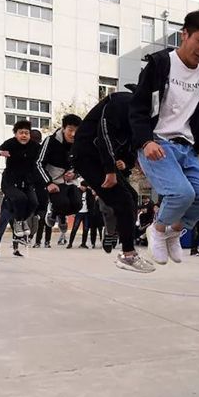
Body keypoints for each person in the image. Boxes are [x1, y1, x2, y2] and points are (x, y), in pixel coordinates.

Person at [130, 10, 199, 265]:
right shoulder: (160, 64)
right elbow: (137, 107)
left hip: (187, 148)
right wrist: (145, 141)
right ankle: (157, 229)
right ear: (185, 35)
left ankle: (174, 231)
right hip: (157, 144)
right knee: (182, 194)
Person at [72, 89, 154, 272]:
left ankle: (114, 233)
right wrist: (110, 170)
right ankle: (128, 254)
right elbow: (104, 136)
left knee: (132, 197)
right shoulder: (121, 102)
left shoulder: (141, 115)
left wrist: (132, 163)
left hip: (103, 159)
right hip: (87, 156)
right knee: (122, 200)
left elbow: (132, 147)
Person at [0, 121, 40, 242]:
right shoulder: (10, 143)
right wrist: (0, 152)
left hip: (26, 182)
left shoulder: (34, 146)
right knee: (20, 198)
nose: (24, 135)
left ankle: (23, 220)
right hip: (10, 182)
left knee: (34, 202)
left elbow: (45, 155)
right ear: (16, 134)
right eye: (21, 133)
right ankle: (18, 222)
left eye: (26, 133)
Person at [37, 114, 83, 227]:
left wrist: (75, 174)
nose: (73, 134)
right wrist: (48, 183)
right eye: (70, 130)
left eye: (76, 131)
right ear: (63, 128)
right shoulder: (51, 140)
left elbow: (84, 163)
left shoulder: (80, 143)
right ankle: (54, 210)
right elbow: (38, 163)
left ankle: (60, 214)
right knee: (62, 203)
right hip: (54, 181)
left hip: (71, 181)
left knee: (78, 205)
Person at [67, 182, 90, 249]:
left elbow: (92, 201)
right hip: (78, 212)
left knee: (86, 229)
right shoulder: (76, 191)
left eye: (84, 187)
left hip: (86, 212)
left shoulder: (89, 192)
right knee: (75, 228)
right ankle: (70, 243)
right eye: (82, 186)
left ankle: (83, 243)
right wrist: (73, 211)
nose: (83, 188)